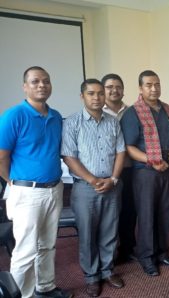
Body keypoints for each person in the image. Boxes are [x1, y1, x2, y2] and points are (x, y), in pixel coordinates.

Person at [0, 66, 73, 298]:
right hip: (26, 192)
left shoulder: (55, 117)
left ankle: (46, 288)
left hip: (54, 189)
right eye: (35, 81)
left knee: (47, 244)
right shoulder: (14, 115)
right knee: (25, 250)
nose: (41, 85)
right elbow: (1, 156)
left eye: (46, 81)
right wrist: (12, 183)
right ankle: (20, 295)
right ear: (25, 86)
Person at [61, 79, 126, 297]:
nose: (97, 98)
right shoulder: (72, 122)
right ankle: (91, 276)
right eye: (91, 94)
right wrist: (92, 180)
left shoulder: (113, 122)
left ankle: (107, 271)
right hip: (85, 188)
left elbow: (120, 152)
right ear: (82, 97)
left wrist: (114, 179)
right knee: (88, 234)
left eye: (100, 93)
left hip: (111, 185)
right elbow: (69, 157)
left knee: (110, 231)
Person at [120, 70, 169, 276]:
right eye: (149, 85)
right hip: (146, 173)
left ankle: (162, 252)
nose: (154, 88)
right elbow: (128, 147)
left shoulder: (167, 110)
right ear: (140, 88)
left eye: (157, 84)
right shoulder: (133, 113)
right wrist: (151, 160)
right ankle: (146, 257)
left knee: (166, 213)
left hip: (168, 172)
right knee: (147, 215)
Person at [101, 73, 137, 264]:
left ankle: (128, 248)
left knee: (130, 210)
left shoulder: (132, 111)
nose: (114, 90)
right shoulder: (98, 111)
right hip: (107, 171)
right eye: (109, 87)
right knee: (109, 213)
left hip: (129, 169)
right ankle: (109, 252)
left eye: (118, 86)